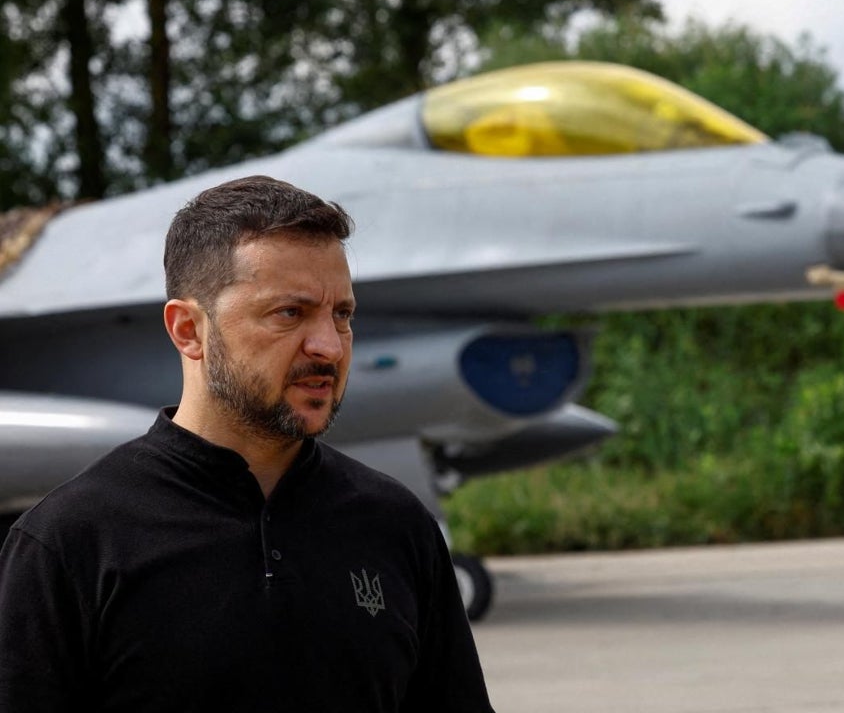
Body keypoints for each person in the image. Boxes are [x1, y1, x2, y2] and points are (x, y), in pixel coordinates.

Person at [0, 175, 494, 712]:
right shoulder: (69, 544)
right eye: (290, 313)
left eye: (342, 315)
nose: (329, 345)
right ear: (188, 329)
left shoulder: (397, 526)